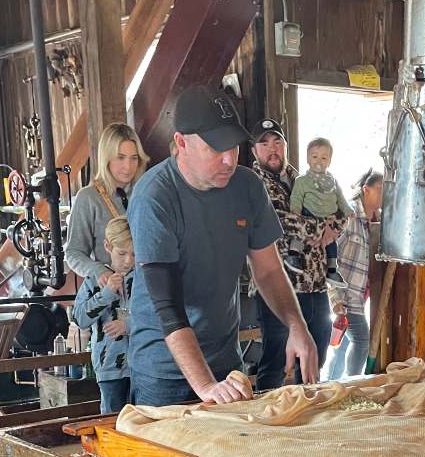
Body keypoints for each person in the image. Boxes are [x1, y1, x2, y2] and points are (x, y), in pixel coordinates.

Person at [127, 87, 318, 408]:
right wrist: (205, 386)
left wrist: (296, 325)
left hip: (226, 361)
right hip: (165, 371)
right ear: (181, 143)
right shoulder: (154, 196)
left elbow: (269, 270)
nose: (229, 159)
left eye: (233, 146)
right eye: (216, 148)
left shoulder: (247, 187)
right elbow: (168, 308)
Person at [249, 117, 346, 389]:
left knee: (316, 358)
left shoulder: (305, 178)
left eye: (277, 141)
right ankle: (269, 426)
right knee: (276, 363)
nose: (272, 148)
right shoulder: (251, 184)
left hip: (315, 285)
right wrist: (318, 227)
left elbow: (340, 208)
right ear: (254, 150)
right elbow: (274, 221)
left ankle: (309, 420)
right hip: (278, 289)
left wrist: (334, 228)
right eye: (264, 143)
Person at [64, 123, 148, 286]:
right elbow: (73, 253)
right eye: (120, 157)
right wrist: (99, 271)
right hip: (110, 294)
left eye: (134, 158)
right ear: (106, 158)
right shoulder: (88, 198)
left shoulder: (145, 193)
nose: (128, 166)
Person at [72, 216, 134, 414]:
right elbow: (79, 318)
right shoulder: (93, 280)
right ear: (108, 247)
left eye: (134, 254)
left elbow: (157, 315)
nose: (128, 261)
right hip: (109, 368)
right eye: (122, 253)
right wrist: (106, 294)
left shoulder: (144, 279)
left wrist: (128, 326)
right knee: (112, 422)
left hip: (143, 366)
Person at [326, 168, 383, 380]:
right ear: (365, 190)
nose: (384, 192)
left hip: (358, 294)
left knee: (344, 345)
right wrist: (335, 296)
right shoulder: (348, 215)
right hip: (345, 294)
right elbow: (329, 254)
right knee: (361, 340)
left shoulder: (375, 222)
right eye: (380, 188)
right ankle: (351, 386)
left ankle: (331, 387)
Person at [286, 137, 351, 287]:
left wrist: (348, 211)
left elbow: (341, 198)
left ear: (329, 161)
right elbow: (296, 197)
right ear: (308, 159)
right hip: (309, 214)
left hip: (329, 218)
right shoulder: (302, 180)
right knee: (300, 233)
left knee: (332, 245)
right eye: (314, 157)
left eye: (324, 157)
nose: (319, 161)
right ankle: (293, 255)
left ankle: (332, 270)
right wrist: (295, 210)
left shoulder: (332, 181)